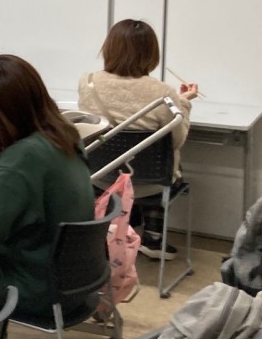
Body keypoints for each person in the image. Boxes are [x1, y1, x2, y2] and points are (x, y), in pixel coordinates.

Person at [0, 54, 94, 339]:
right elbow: (9, 191)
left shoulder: (24, 157)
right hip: (75, 281)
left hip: (36, 287)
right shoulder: (63, 135)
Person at [78, 19, 197, 259]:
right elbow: (176, 141)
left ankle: (121, 227)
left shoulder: (88, 82)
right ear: (152, 53)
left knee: (126, 163)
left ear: (109, 48)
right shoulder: (163, 92)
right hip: (149, 183)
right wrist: (183, 103)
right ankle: (154, 236)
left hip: (100, 177)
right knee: (167, 164)